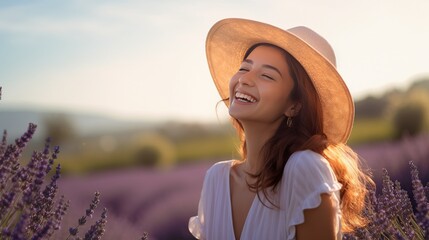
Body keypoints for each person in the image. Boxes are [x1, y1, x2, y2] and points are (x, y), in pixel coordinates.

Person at [189, 18, 372, 240]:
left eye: (266, 75)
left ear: (294, 106)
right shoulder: (216, 179)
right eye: (244, 68)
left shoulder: (304, 169)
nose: (244, 79)